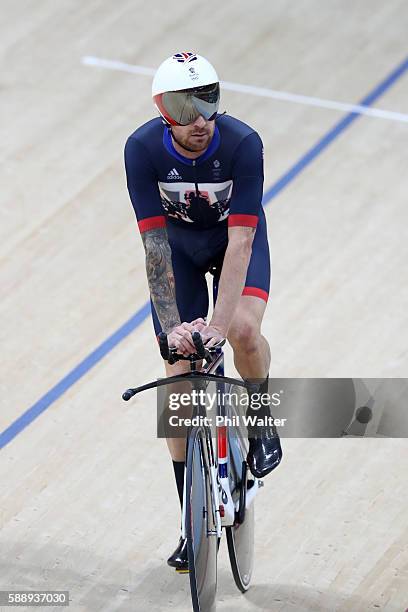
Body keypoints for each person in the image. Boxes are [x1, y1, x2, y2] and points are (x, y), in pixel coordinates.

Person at [124, 51, 282, 571]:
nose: (198, 120)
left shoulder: (242, 143)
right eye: (183, 106)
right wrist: (173, 330)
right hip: (179, 253)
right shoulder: (141, 150)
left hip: (233, 243)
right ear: (162, 110)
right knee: (177, 383)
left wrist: (214, 328)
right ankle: (192, 521)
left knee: (239, 330)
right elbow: (153, 248)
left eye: (207, 101)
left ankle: (260, 420)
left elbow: (240, 244)